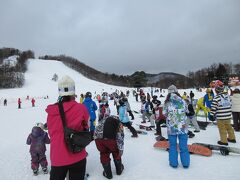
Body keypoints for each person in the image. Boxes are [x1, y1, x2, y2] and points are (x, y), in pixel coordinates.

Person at [45, 75, 90, 180]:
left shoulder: (51, 111)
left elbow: (51, 133)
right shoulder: (81, 108)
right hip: (77, 154)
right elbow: (86, 126)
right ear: (73, 90)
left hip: (57, 156)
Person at [163, 85, 190, 168]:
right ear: (176, 91)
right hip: (183, 127)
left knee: (173, 146)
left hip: (172, 128)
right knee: (184, 146)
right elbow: (187, 111)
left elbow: (164, 114)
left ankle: (173, 163)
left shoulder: (167, 102)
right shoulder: (183, 101)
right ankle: (185, 163)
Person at [210, 80, 236, 146]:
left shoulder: (216, 98)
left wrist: (211, 115)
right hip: (228, 116)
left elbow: (213, 108)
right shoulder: (227, 96)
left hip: (220, 117)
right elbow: (230, 104)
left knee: (222, 129)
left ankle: (224, 141)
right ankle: (232, 138)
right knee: (229, 127)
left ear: (216, 90)